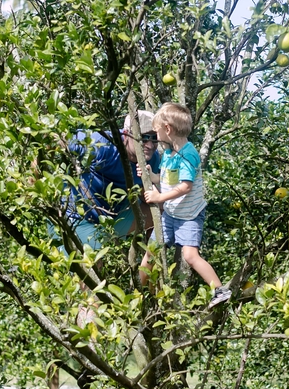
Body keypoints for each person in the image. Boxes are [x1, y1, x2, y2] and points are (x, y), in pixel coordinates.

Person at [138, 102, 231, 308]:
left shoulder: (188, 154)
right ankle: (137, 292)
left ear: (168, 129)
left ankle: (219, 289)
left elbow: (185, 187)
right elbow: (164, 179)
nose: (155, 136)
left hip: (188, 216)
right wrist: (149, 175)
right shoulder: (168, 154)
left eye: (156, 131)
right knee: (151, 250)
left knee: (190, 256)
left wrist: (159, 198)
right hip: (171, 214)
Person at [65, 111, 160, 249]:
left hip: (114, 217)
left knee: (163, 209)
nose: (150, 145)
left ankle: (147, 264)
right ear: (126, 133)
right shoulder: (102, 145)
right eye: (143, 138)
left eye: (155, 138)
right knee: (94, 265)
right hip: (79, 217)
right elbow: (60, 139)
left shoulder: (153, 158)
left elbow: (145, 192)